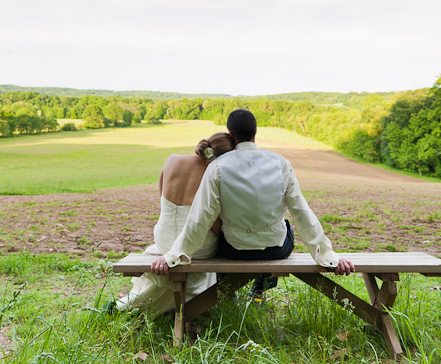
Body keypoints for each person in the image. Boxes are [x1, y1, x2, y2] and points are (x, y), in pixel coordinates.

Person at [151, 109, 354, 299]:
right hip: (275, 250)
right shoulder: (281, 163)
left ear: (231, 134)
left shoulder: (217, 168)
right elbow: (301, 211)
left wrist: (175, 254)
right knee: (285, 225)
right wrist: (328, 255)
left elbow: (200, 218)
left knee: (223, 233)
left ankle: (227, 294)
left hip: (234, 251)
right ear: (255, 132)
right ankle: (261, 286)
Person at [113, 132, 236, 313]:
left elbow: (162, 199)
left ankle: (137, 304)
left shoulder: (172, 160)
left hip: (163, 239)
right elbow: (215, 227)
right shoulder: (213, 174)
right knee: (217, 244)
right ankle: (200, 304)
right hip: (195, 249)